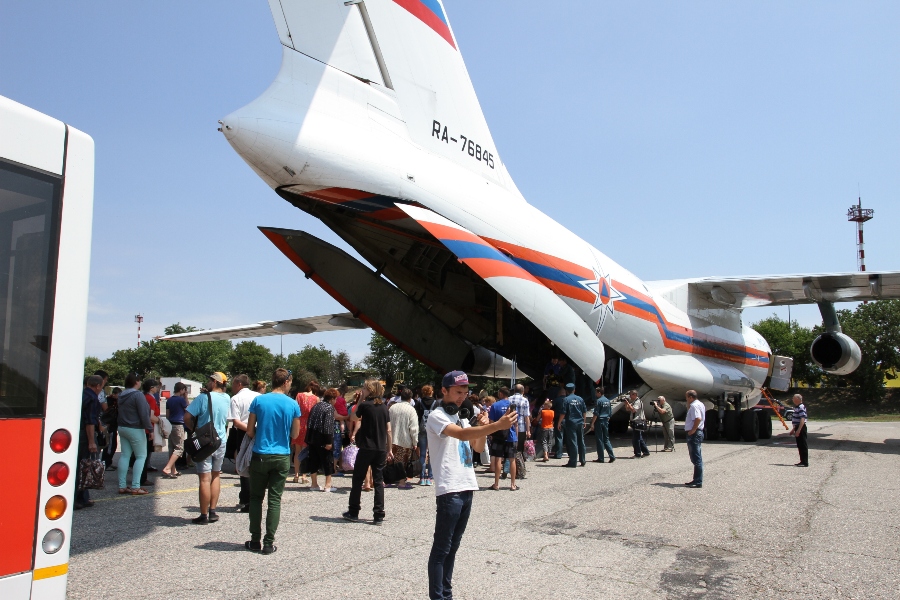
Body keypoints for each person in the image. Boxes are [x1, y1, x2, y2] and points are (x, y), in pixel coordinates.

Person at [426, 370, 517, 600]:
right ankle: (438, 597)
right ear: (444, 390)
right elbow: (462, 436)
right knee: (441, 550)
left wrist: (484, 428)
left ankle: (447, 594)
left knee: (453, 548)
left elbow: (476, 447)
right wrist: (496, 426)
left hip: (467, 487)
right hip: (450, 490)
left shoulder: (463, 417)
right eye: (457, 392)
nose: (461, 397)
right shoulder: (437, 416)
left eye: (465, 393)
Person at [245, 368, 301, 554]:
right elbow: (295, 434)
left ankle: (254, 540)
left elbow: (250, 430)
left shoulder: (259, 400)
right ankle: (269, 542)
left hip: (260, 454)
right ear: (286, 382)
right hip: (281, 455)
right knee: (274, 500)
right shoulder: (292, 404)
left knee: (255, 498)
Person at [184, 372, 231, 524]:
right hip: (220, 440)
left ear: (214, 382)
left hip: (205, 440)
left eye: (210, 380)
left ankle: (203, 515)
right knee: (216, 475)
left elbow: (187, 417)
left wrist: (192, 430)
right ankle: (213, 511)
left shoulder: (203, 398)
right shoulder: (227, 398)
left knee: (204, 478)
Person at [343, 379, 391, 524]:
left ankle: (353, 511)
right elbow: (388, 429)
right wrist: (389, 448)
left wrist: (359, 401)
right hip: (380, 448)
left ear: (370, 390)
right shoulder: (384, 407)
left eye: (364, 388)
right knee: (378, 481)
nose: (363, 390)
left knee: (357, 479)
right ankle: (378, 514)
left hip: (366, 447)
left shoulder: (365, 405)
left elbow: (353, 417)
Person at [116, 373, 154, 495]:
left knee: (125, 455)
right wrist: (150, 429)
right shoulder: (138, 395)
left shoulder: (121, 394)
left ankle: (122, 485)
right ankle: (136, 486)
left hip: (122, 427)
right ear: (136, 382)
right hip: (135, 428)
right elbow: (144, 414)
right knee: (141, 456)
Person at [227, 374, 259, 510]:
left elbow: (236, 421)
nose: (232, 387)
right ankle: (256, 498)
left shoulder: (235, 398)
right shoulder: (258, 396)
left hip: (243, 432)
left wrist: (249, 430)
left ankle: (246, 500)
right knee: (256, 464)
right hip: (259, 431)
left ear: (239, 384)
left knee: (244, 464)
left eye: (233, 384)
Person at [75, 375, 103, 509]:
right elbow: (90, 422)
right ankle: (79, 498)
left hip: (77, 432)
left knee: (79, 465)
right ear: (97, 386)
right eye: (101, 386)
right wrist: (92, 441)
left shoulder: (81, 394)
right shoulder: (92, 398)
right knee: (84, 466)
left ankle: (82, 497)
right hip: (84, 435)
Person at [306, 388, 338, 491]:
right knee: (327, 460)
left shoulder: (316, 406)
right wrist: (329, 441)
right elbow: (327, 426)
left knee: (313, 460)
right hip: (323, 437)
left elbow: (309, 421)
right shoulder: (329, 408)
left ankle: (314, 484)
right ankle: (328, 485)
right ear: (332, 398)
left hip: (312, 436)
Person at [388, 387, 419, 489]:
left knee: (390, 460)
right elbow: (414, 428)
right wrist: (415, 442)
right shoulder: (411, 409)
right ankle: (401, 482)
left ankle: (387, 479)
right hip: (405, 439)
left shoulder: (392, 408)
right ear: (410, 398)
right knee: (402, 461)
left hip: (391, 438)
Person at [488, 393, 518, 490]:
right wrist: (516, 436)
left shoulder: (495, 405)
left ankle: (496, 484)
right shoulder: (512, 406)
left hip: (498, 435)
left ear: (500, 394)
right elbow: (515, 422)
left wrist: (491, 434)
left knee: (498, 459)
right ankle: (513, 484)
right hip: (511, 435)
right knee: (512, 459)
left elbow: (491, 422)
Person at [293, 380, 320, 484]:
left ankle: (296, 475)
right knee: (305, 451)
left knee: (297, 451)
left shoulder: (299, 395)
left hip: (298, 423)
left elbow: (295, 410)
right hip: (309, 425)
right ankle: (304, 476)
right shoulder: (316, 398)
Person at [161, 382, 189, 478]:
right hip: (179, 425)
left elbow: (168, 414)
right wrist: (186, 397)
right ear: (181, 390)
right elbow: (188, 410)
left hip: (171, 424)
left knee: (172, 447)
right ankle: (168, 467)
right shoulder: (181, 400)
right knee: (179, 448)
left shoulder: (169, 400)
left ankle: (173, 469)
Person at [560, 382, 586, 467]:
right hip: (580, 422)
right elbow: (584, 411)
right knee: (581, 441)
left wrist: (559, 423)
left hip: (571, 423)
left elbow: (563, 413)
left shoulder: (566, 400)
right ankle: (583, 460)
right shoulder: (580, 399)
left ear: (566, 391)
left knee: (573, 442)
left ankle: (573, 462)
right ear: (574, 390)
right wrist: (584, 421)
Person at [587, 386, 615, 463]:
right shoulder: (607, 401)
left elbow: (596, 413)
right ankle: (611, 455)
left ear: (599, 393)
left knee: (599, 439)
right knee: (606, 439)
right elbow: (610, 413)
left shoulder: (598, 401)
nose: (595, 394)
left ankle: (601, 458)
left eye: (596, 392)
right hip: (605, 421)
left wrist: (592, 423)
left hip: (599, 421)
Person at [684, 390, 705, 488]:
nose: (686, 399)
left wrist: (693, 430)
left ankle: (698, 481)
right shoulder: (700, 404)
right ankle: (696, 479)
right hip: (699, 432)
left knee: (696, 458)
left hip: (695, 434)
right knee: (697, 457)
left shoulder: (694, 406)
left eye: (687, 397)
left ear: (691, 397)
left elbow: (698, 418)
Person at [416, 384, 436, 485]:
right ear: (431, 392)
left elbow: (417, 417)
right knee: (432, 454)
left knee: (422, 454)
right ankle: (430, 477)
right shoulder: (436, 403)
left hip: (422, 430)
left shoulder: (419, 402)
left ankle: (422, 477)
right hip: (432, 430)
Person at [623, 390, 650, 458]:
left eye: (631, 395)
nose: (630, 396)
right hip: (635, 422)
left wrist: (628, 403)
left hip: (638, 422)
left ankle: (637, 454)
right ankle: (646, 452)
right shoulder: (634, 402)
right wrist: (626, 403)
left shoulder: (638, 402)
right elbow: (627, 409)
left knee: (636, 439)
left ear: (635, 395)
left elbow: (633, 410)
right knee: (639, 438)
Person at [101, 387, 121, 469]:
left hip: (114, 425)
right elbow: (108, 413)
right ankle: (106, 463)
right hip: (110, 426)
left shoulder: (116, 401)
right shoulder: (109, 401)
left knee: (113, 445)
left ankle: (109, 462)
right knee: (109, 445)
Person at [788, 393, 808, 467]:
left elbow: (802, 419)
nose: (792, 399)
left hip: (801, 427)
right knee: (800, 445)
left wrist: (799, 430)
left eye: (793, 398)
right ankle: (802, 461)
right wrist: (793, 429)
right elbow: (797, 420)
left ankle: (805, 462)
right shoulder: (797, 407)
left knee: (803, 445)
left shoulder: (801, 407)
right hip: (797, 427)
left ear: (797, 399)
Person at [551, 386, 567, 459]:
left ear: (559, 393)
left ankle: (558, 454)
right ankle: (570, 453)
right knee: (568, 437)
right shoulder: (568, 399)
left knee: (559, 437)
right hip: (568, 420)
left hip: (559, 420)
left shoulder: (556, 400)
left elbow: (551, 408)